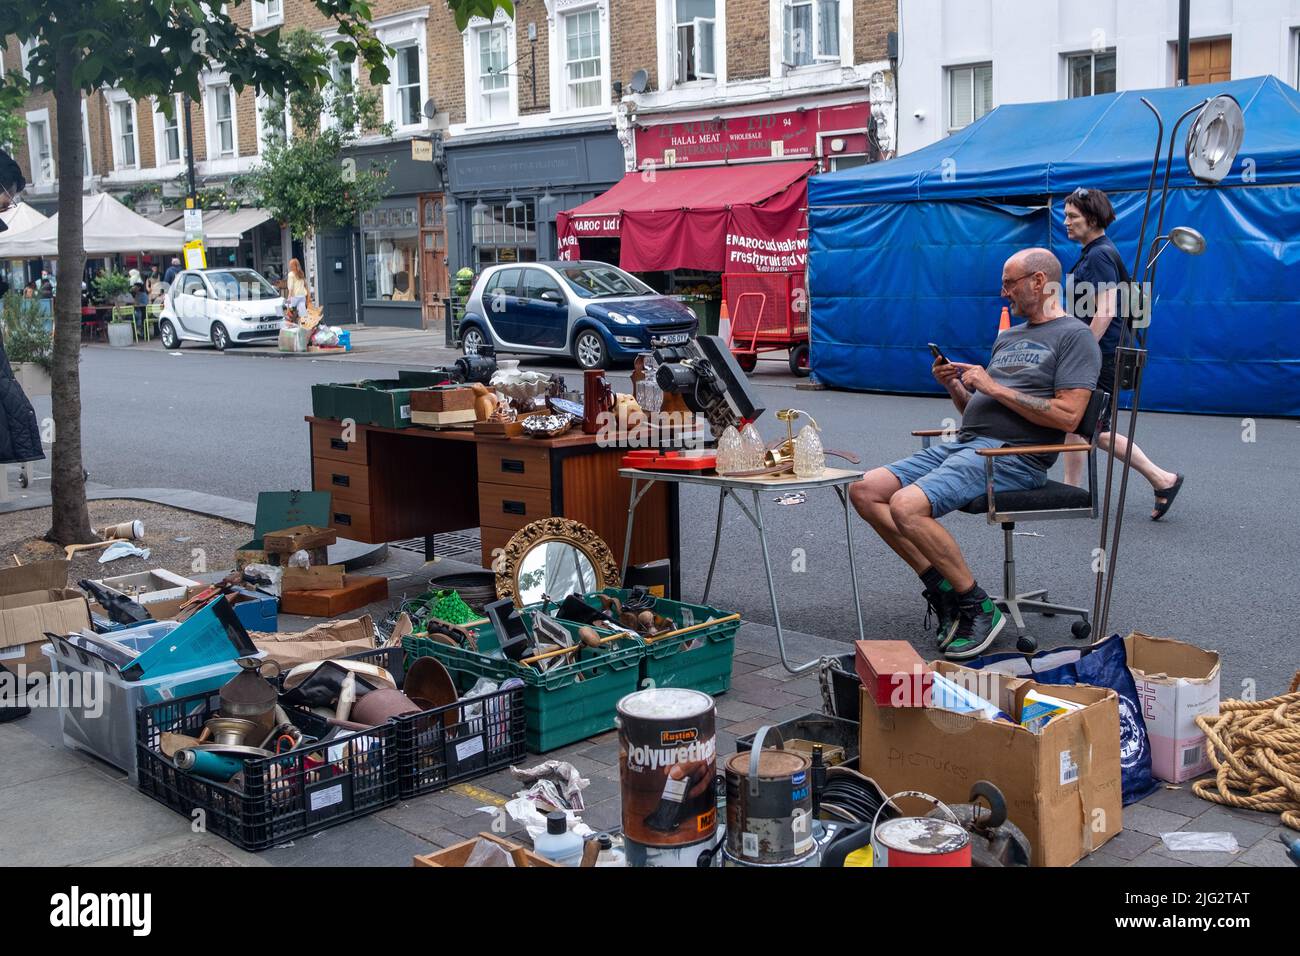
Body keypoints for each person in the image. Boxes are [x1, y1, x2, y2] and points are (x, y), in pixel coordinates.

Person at [849, 249, 1101, 660]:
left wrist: (994, 385)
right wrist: (955, 386)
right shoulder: (1009, 337)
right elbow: (976, 414)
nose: (1004, 293)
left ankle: (977, 605)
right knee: (864, 490)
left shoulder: (1075, 336)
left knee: (906, 506)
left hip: (1015, 456)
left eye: (1010, 282)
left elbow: (1069, 415)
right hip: (970, 444)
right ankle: (944, 588)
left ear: (1039, 281)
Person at [1062, 187, 1183, 519]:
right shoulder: (1095, 252)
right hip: (1102, 353)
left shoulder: (1100, 255)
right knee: (1079, 424)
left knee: (1092, 427)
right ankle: (1072, 493)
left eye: (1072, 216)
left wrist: (1082, 352)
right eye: (1065, 215)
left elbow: (1106, 309)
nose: (1066, 222)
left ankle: (1163, 479)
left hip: (1101, 356)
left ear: (1093, 218)